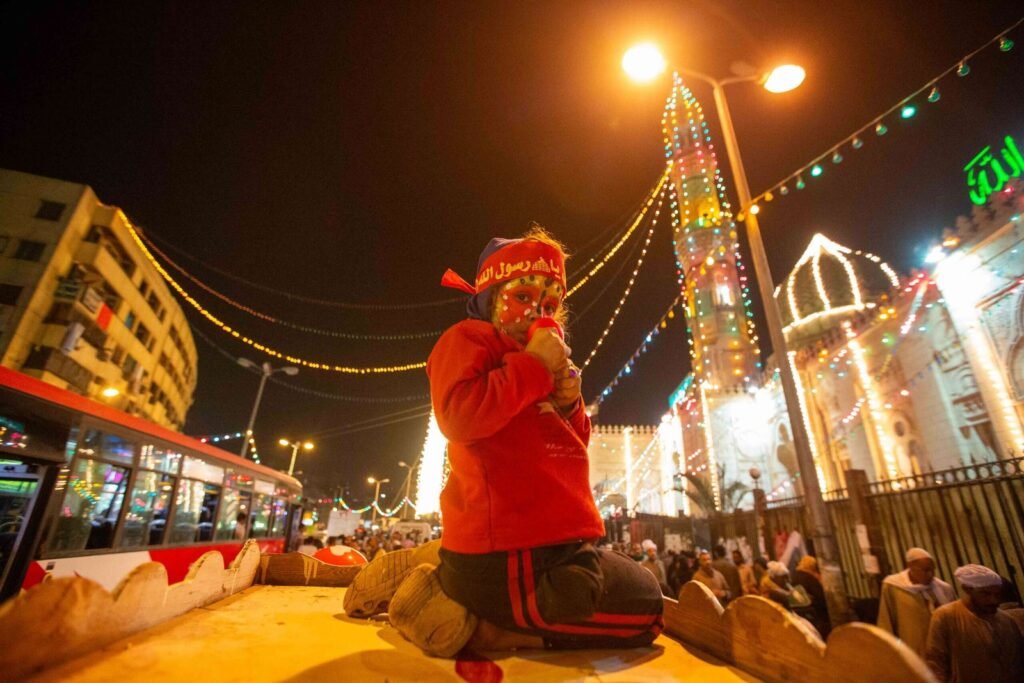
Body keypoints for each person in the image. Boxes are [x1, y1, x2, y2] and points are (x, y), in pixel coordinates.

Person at [344, 225, 663, 656]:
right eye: (523, 297)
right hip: (516, 561)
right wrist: (533, 366)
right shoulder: (468, 340)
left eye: (549, 303)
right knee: (647, 612)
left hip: (541, 552)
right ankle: (484, 631)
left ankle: (434, 566)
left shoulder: (538, 364)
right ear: (491, 299)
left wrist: (570, 405)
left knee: (638, 580)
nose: (536, 312)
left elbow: (568, 450)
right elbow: (458, 416)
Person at [925, 564, 1024, 682]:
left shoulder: (1006, 621)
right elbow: (936, 662)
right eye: (985, 594)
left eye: (997, 595)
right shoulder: (945, 616)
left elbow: (1017, 664)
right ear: (967, 589)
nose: (993, 600)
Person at [877, 547, 957, 656]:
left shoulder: (943, 589)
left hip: (943, 649)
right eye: (925, 570)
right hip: (912, 650)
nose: (930, 574)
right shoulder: (893, 586)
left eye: (932, 570)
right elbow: (886, 620)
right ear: (910, 567)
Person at [792, 555, 830, 639]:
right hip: (814, 613)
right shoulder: (809, 578)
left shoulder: (794, 576)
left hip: (799, 613)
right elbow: (821, 597)